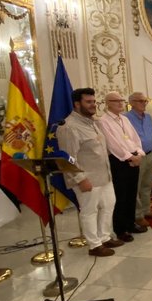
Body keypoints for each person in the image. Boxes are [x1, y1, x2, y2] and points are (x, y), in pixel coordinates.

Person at [57, 88, 124, 257]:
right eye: (88, 102)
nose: (93, 105)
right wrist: (80, 179)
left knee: (109, 205)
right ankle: (94, 245)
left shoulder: (92, 122)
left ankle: (104, 237)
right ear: (77, 104)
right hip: (87, 179)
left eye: (94, 102)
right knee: (89, 211)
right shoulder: (69, 127)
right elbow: (68, 159)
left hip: (104, 175)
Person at [99, 91, 146, 242]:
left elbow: (135, 138)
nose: (120, 103)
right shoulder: (103, 121)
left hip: (134, 157)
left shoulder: (124, 119)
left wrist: (139, 154)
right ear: (108, 103)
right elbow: (113, 145)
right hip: (119, 161)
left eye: (121, 100)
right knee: (121, 195)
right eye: (116, 100)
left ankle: (130, 223)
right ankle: (120, 229)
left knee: (132, 193)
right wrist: (130, 157)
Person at [126, 92, 152, 227]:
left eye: (145, 101)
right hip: (136, 156)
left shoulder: (148, 117)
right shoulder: (125, 118)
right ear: (132, 103)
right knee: (136, 187)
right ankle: (137, 215)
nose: (144, 103)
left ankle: (146, 210)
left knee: (146, 185)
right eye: (140, 101)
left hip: (149, 154)